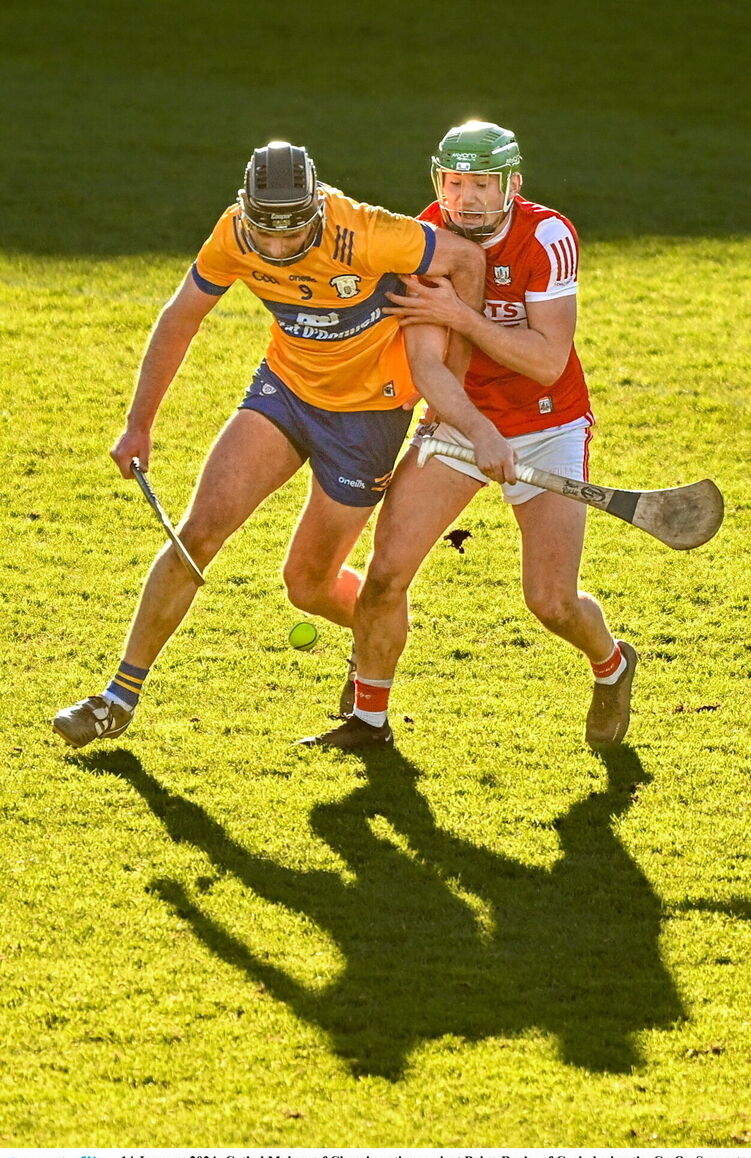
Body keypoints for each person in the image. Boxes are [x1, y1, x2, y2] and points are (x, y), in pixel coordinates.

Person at [53, 139, 512, 749]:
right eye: (263, 234)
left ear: (317, 212)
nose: (273, 249)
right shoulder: (234, 235)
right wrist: (139, 423)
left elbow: (465, 260)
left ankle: (372, 638)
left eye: (290, 236)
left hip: (367, 418)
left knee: (308, 583)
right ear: (246, 210)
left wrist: (450, 372)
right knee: (199, 531)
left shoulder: (369, 232)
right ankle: (117, 698)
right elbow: (181, 316)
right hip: (285, 393)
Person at [304, 121, 636, 751]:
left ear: (512, 183)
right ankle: (368, 720)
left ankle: (612, 666)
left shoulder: (546, 236)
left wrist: (462, 316)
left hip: (547, 425)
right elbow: (429, 366)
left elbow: (546, 359)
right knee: (385, 574)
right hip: (459, 421)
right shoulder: (424, 237)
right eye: (456, 183)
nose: (467, 199)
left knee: (551, 602)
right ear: (440, 181)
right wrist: (475, 429)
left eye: (482, 183)